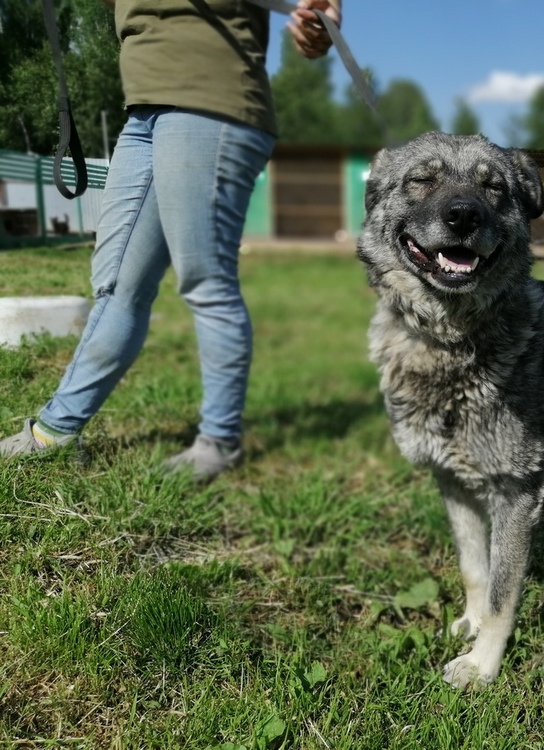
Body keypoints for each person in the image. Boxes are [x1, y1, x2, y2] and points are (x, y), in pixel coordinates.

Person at [0, 0, 342, 481]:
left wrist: (325, 12)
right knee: (118, 287)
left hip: (213, 97)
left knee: (206, 281)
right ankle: (53, 433)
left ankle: (219, 442)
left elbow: (321, 8)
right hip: (143, 109)